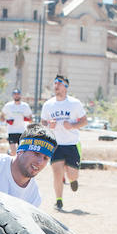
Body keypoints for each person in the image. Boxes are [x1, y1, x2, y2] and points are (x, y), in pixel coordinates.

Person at [41, 74, 88, 210]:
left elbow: (84, 121)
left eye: (59, 83)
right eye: (55, 83)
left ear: (66, 87)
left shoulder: (75, 103)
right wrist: (49, 124)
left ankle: (73, 180)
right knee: (57, 173)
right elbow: (43, 121)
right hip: (56, 145)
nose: (56, 85)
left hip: (72, 144)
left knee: (72, 174)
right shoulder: (48, 104)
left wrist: (72, 126)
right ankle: (59, 200)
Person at [1, 88, 33, 155]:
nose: (16, 96)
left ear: (20, 95)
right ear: (12, 96)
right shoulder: (8, 105)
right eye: (15, 94)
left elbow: (31, 118)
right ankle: (9, 153)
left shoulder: (25, 106)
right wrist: (7, 120)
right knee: (13, 152)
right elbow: (2, 117)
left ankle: (18, 165)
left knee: (20, 152)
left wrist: (28, 119)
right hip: (11, 131)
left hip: (22, 131)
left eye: (18, 94)